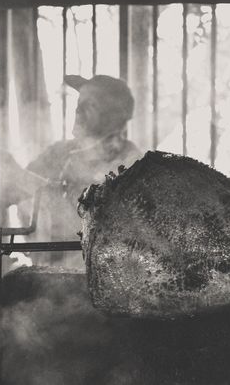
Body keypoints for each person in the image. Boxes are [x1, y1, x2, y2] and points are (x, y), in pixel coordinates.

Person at [20, 74, 142, 268]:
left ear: (113, 116)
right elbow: (20, 185)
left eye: (89, 105)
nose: (78, 111)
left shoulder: (133, 164)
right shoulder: (59, 152)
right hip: (48, 273)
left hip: (99, 275)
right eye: (78, 103)